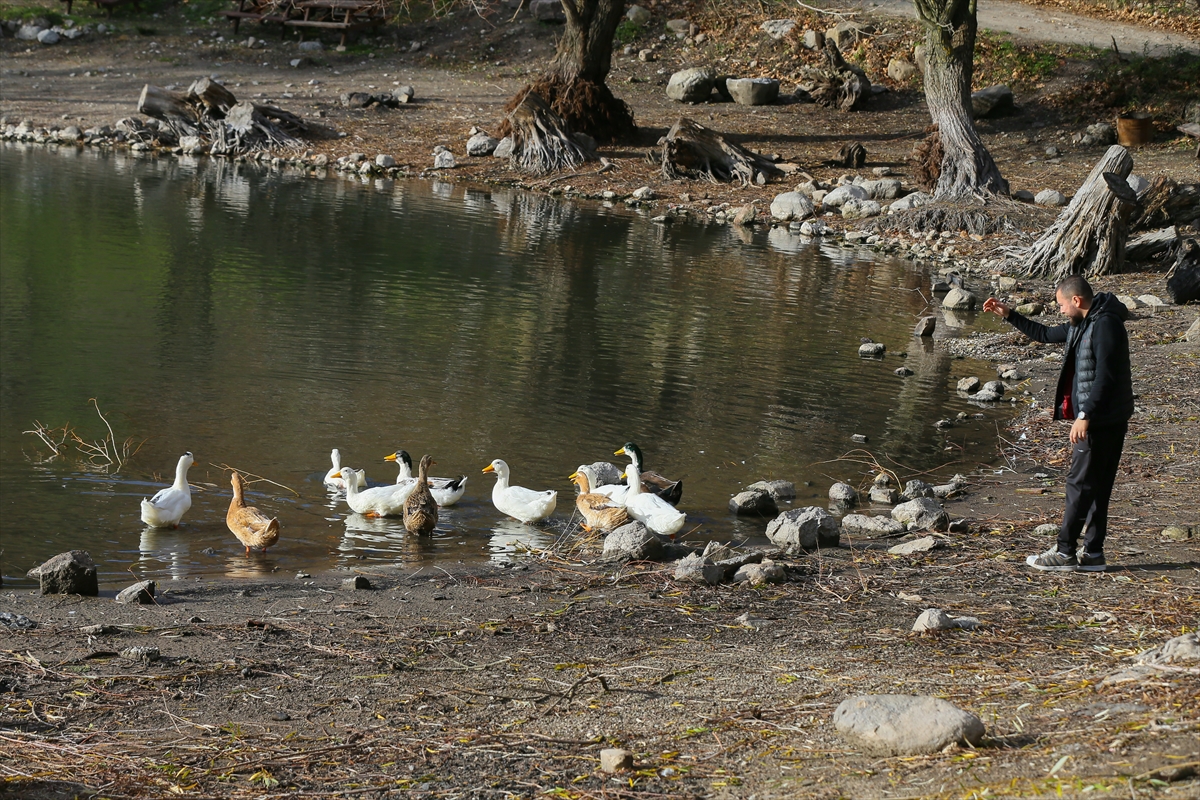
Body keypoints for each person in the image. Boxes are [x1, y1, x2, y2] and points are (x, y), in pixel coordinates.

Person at [983, 275, 1133, 573]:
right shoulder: (1085, 322)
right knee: (1096, 486)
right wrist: (1010, 315)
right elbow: (1046, 334)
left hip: (1101, 420)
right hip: (1107, 418)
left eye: (1062, 305)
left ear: (1076, 301)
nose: (1061, 311)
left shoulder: (1104, 325)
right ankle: (1093, 553)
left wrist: (1084, 415)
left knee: (1080, 485)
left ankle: (1065, 553)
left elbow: (1106, 377)